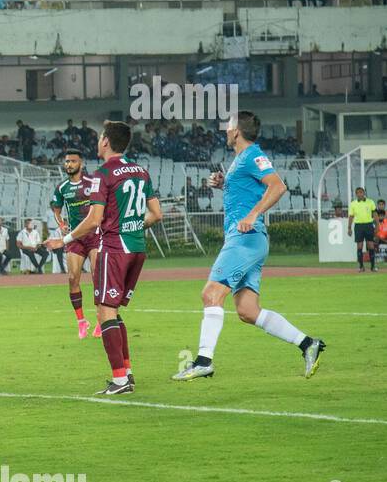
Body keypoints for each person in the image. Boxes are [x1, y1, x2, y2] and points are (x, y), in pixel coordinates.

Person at [172, 111, 326, 380]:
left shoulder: (253, 156)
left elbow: (278, 187)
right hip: (249, 240)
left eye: (228, 127)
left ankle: (203, 361)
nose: (225, 130)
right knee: (247, 311)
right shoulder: (241, 160)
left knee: (211, 294)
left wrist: (253, 215)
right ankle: (308, 344)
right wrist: (224, 185)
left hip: (245, 239)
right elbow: (251, 190)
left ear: (236, 131)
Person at [46, 121, 162, 395]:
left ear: (106, 142)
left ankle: (120, 380)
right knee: (114, 311)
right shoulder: (141, 172)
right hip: (137, 249)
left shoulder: (103, 174)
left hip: (114, 248)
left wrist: (62, 240)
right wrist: (131, 225)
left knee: (105, 311)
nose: (98, 142)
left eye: (100, 137)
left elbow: (93, 220)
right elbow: (156, 215)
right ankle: (128, 373)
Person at [51, 149, 102, 337]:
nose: (69, 165)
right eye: (66, 162)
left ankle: (100, 319)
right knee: (73, 278)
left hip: (95, 235)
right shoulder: (62, 187)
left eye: (72, 161)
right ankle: (82, 321)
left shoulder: (92, 183)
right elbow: (56, 209)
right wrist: (62, 224)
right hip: (75, 237)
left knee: (98, 277)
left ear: (81, 163)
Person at [348, 186, 377, 273]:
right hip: (358, 226)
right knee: (359, 246)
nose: (360, 194)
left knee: (371, 245)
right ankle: (361, 267)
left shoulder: (370, 202)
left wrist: (378, 225)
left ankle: (373, 267)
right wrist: (349, 227)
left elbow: (375, 214)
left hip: (368, 225)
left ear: (364, 193)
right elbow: (351, 216)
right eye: (358, 193)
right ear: (356, 194)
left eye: (361, 192)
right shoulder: (353, 204)